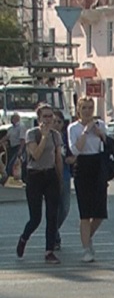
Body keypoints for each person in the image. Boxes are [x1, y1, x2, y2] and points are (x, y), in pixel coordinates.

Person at [15, 104, 63, 265]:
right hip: (35, 176)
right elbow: (35, 155)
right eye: (45, 116)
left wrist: (60, 179)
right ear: (39, 118)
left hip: (50, 175)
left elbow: (58, 158)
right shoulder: (32, 133)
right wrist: (43, 137)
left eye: (50, 116)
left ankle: (49, 251)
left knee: (52, 215)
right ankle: (24, 238)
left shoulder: (56, 135)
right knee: (36, 218)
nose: (48, 120)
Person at [66, 96, 108, 263]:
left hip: (98, 166)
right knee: (85, 213)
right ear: (79, 110)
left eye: (90, 108)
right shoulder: (73, 128)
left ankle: (87, 237)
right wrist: (85, 131)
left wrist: (100, 134)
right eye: (84, 108)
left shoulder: (100, 125)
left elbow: (108, 144)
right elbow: (75, 150)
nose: (88, 111)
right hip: (83, 166)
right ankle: (86, 249)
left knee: (100, 213)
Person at [53, 108, 72, 250]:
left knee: (65, 208)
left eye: (59, 122)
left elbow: (73, 154)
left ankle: (53, 230)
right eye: (54, 121)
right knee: (53, 208)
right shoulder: (46, 136)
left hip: (64, 175)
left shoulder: (66, 138)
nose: (56, 124)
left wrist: (70, 159)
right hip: (50, 176)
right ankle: (54, 236)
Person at [1, 112, 25, 185]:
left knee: (13, 164)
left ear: (16, 118)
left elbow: (22, 139)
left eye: (12, 118)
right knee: (8, 163)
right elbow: (7, 136)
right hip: (12, 148)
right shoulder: (11, 128)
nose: (11, 120)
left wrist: (20, 149)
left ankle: (11, 179)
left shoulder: (21, 127)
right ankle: (7, 179)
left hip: (18, 147)